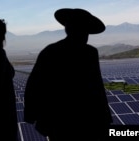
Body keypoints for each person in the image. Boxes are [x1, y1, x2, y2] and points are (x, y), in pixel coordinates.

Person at [24, 8, 113, 141]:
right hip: (84, 120)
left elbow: (34, 85)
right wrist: (104, 117)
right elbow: (96, 88)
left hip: (60, 121)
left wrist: (32, 116)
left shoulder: (51, 51)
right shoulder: (90, 53)